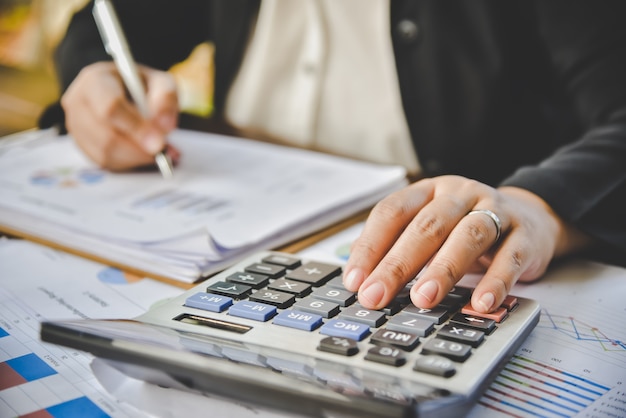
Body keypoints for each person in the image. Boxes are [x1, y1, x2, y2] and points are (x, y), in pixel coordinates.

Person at [41, 0, 626, 315]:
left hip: (453, 251)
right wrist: (94, 76)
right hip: (223, 236)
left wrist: (540, 205)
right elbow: (106, 24)